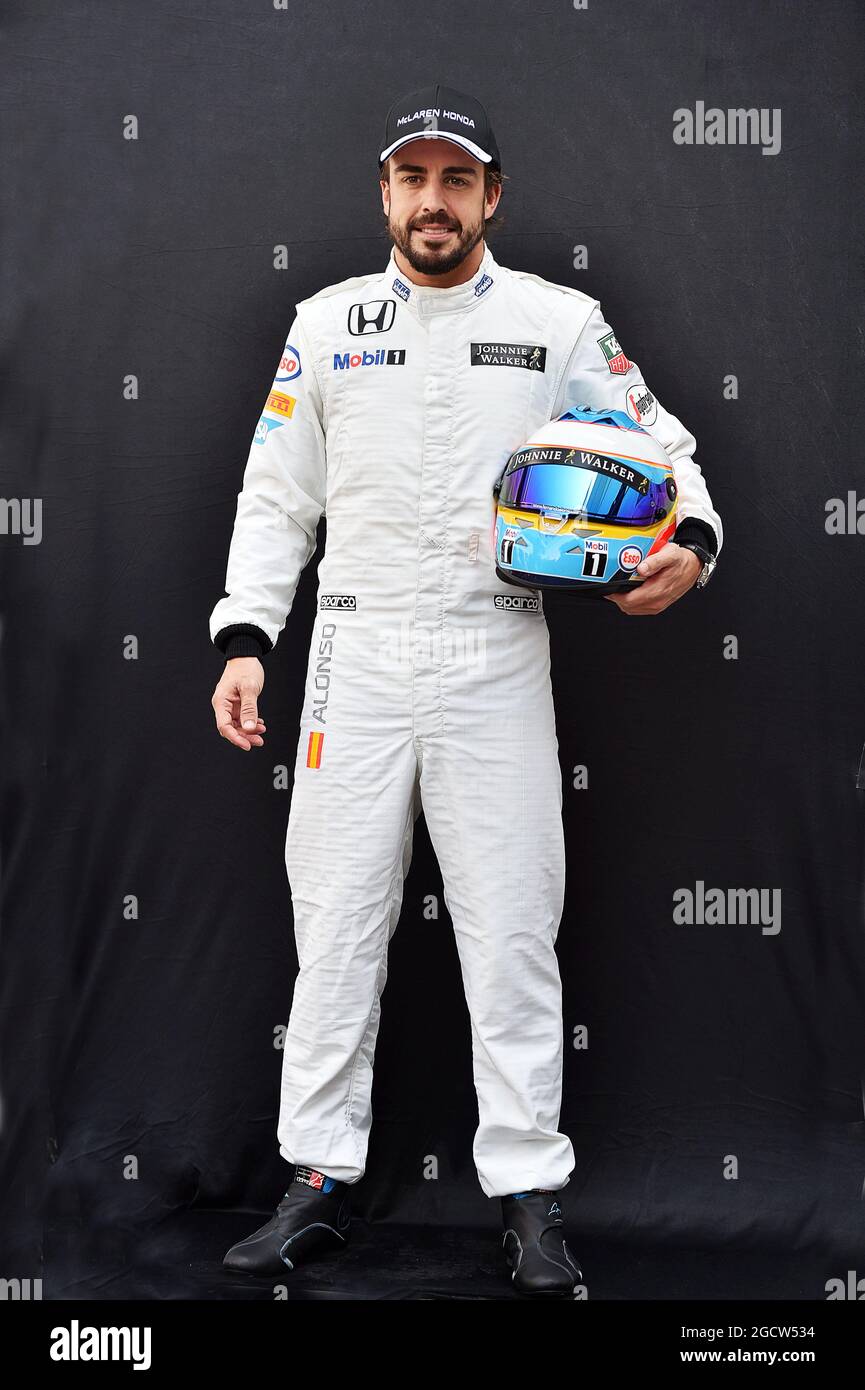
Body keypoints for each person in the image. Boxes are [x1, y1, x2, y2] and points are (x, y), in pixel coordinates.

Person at [209, 83, 723, 1296]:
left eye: (455, 180)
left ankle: (530, 1197)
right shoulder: (326, 323)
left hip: (498, 652)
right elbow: (275, 493)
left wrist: (689, 545)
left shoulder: (559, 323)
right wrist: (245, 638)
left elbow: (666, 447)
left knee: (511, 932)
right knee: (332, 930)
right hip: (353, 655)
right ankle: (319, 1181)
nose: (430, 202)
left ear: (491, 196)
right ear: (383, 193)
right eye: (411, 179)